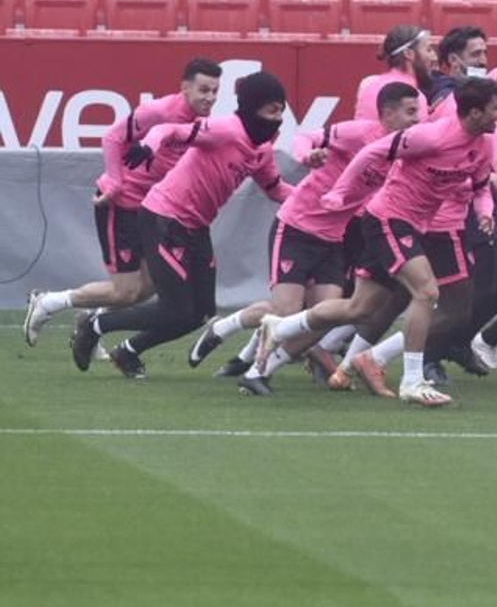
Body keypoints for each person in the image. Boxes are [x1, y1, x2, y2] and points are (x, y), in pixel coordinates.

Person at [257, 78, 497, 407]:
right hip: (388, 219)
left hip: (415, 225)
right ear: (475, 112)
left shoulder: (483, 145)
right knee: (427, 292)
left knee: (359, 307)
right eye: (495, 109)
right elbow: (371, 152)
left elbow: (479, 188)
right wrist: (339, 191)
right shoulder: (432, 136)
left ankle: (279, 328)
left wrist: (485, 212)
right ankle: (411, 380)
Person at [186, 81, 424, 394]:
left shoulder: (404, 148)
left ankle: (258, 372)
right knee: (286, 311)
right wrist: (307, 155)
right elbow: (305, 137)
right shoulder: (359, 133)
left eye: (418, 112)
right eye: (410, 112)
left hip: (333, 238)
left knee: (322, 319)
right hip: (296, 228)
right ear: (388, 114)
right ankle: (224, 327)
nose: (417, 119)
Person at [70, 72, 292, 379]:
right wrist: (149, 146)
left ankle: (128, 351)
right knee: (175, 309)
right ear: (252, 107)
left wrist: (319, 199)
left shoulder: (262, 150)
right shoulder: (226, 129)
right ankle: (94, 324)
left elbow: (275, 189)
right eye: (271, 110)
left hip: (195, 227)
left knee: (200, 314)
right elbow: (169, 129)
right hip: (164, 218)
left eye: (281, 110)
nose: (277, 118)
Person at [26, 58, 222, 347]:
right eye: (204, 90)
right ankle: (49, 302)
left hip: (153, 210)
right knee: (126, 292)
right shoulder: (159, 111)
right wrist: (116, 183)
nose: (210, 98)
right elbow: (112, 137)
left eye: (215, 91)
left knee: (153, 285)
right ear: (185, 88)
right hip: (121, 204)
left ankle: (89, 321)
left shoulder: (200, 123)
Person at [354, 25, 434, 121]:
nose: (434, 57)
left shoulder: (368, 86)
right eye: (428, 50)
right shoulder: (414, 98)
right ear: (408, 54)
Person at [429, 25, 489, 103]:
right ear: (453, 59)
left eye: (485, 53)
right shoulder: (445, 95)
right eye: (476, 54)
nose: (483, 61)